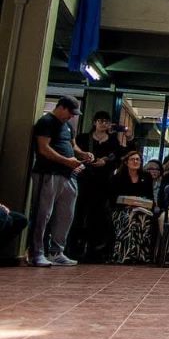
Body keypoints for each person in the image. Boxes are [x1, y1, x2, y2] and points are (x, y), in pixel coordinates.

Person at [28, 96, 91, 267]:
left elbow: (73, 145)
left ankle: (57, 251)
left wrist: (82, 154)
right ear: (61, 107)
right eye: (70, 112)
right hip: (48, 173)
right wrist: (66, 161)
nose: (71, 116)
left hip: (69, 175)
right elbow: (44, 148)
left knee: (66, 215)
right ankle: (36, 252)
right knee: (43, 213)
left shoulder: (68, 126)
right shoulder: (46, 122)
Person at [70, 110, 125, 261]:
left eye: (106, 121)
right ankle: (74, 248)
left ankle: (95, 250)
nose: (103, 124)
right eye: (100, 121)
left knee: (99, 216)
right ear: (94, 122)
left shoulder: (113, 141)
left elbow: (118, 157)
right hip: (84, 180)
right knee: (79, 214)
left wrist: (105, 162)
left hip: (103, 182)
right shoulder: (83, 138)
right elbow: (74, 153)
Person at [108, 149, 155, 264]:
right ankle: (126, 254)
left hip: (142, 209)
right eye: (132, 159)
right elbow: (112, 198)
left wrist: (140, 203)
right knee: (131, 218)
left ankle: (141, 255)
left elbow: (150, 197)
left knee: (143, 218)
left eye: (138, 159)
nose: (135, 162)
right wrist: (127, 203)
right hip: (121, 209)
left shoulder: (146, 177)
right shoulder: (117, 177)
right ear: (126, 162)